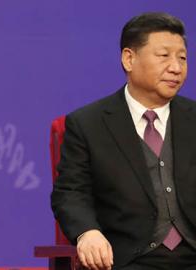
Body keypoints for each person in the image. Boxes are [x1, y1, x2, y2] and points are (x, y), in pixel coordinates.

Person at [51, 12, 196, 270]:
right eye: (164, 56)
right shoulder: (88, 124)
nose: (176, 67)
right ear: (129, 59)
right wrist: (88, 232)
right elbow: (71, 193)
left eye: (182, 58)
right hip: (127, 260)